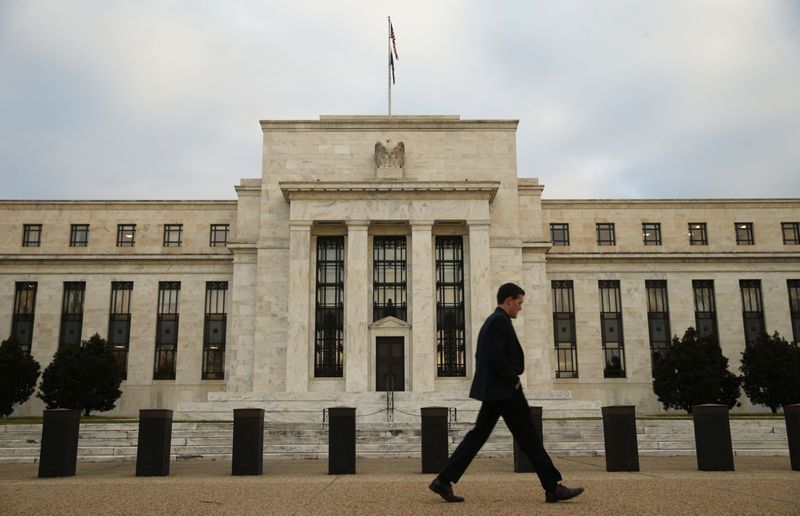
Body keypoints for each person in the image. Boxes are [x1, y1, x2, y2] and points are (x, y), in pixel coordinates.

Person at [428, 282, 585, 504]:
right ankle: (552, 487)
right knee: (528, 436)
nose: (521, 308)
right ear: (508, 300)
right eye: (519, 303)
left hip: (496, 390)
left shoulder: (495, 321)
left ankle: (443, 480)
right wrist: (513, 381)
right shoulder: (499, 321)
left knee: (479, 435)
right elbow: (494, 354)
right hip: (505, 390)